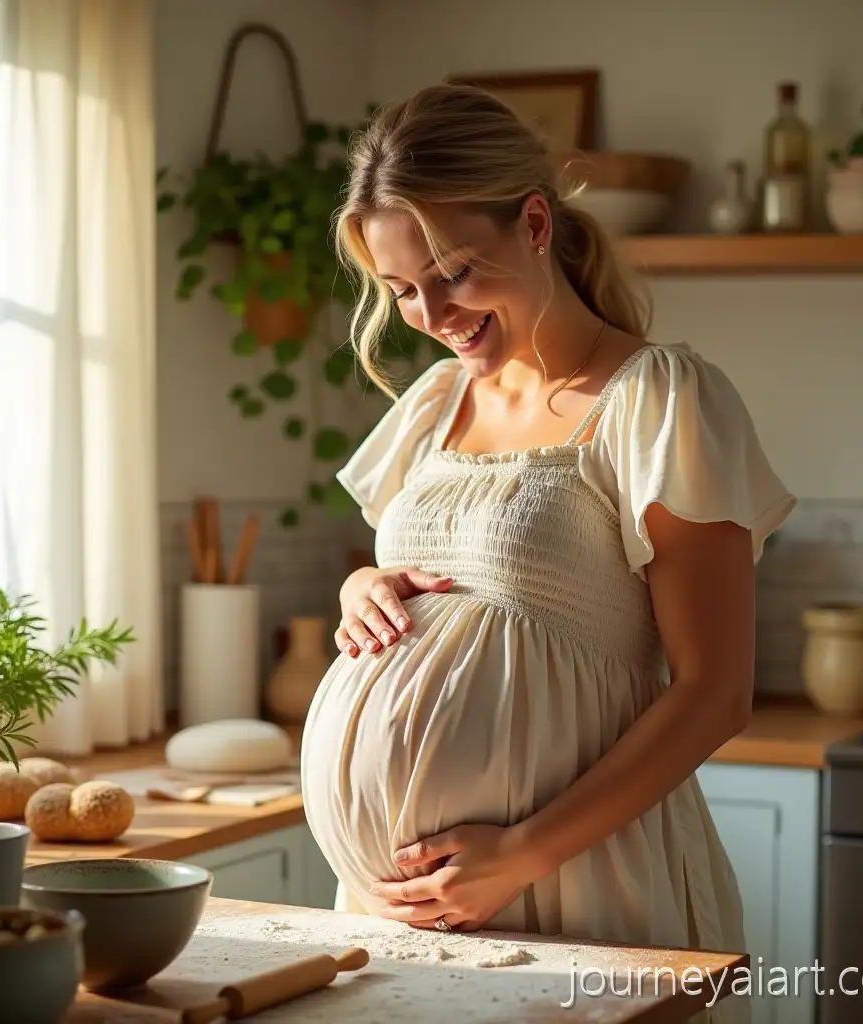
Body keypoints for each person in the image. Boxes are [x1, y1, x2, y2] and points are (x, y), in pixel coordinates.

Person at [299, 83, 795, 1023]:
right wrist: (363, 586)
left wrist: (523, 853)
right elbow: (451, 589)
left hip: (580, 881)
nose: (431, 311)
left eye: (454, 271)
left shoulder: (660, 398)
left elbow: (715, 691)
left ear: (534, 223)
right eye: (401, 288)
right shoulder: (434, 406)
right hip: (402, 909)